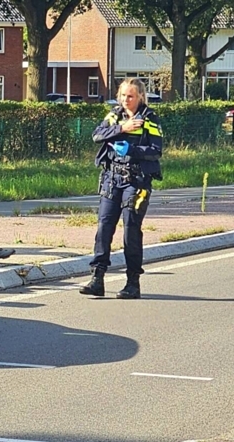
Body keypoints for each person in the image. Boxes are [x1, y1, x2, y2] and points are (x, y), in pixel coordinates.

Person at [80, 77, 163, 299]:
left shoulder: (149, 118)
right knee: (104, 227)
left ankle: (132, 283)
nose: (126, 100)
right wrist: (121, 128)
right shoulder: (115, 115)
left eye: (130, 96)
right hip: (111, 179)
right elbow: (97, 135)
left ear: (140, 97)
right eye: (123, 95)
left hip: (136, 182)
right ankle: (97, 279)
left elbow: (156, 150)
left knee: (130, 231)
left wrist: (132, 151)